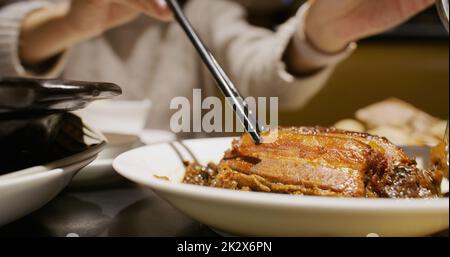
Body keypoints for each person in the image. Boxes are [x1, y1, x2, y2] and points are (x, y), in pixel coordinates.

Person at [0, 0, 434, 130]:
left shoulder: (205, 10)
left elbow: (271, 81)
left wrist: (317, 37)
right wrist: (69, 22)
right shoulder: (54, 5)